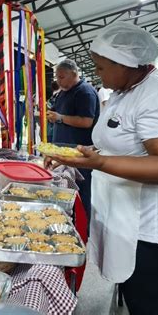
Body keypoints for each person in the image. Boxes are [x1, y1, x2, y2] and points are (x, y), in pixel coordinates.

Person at [47, 22, 158, 314]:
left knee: (146, 301)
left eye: (101, 68)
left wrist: (100, 162)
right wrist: (82, 153)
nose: (97, 75)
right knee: (132, 293)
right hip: (123, 215)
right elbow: (122, 145)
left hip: (146, 224)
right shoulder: (124, 92)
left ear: (126, 64)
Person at [47, 59, 100, 222]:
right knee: (66, 192)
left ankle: (83, 228)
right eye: (57, 77)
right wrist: (52, 116)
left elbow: (86, 121)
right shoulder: (64, 91)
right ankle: (68, 221)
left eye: (62, 77)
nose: (58, 81)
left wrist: (61, 118)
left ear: (74, 74)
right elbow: (57, 112)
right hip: (63, 151)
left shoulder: (84, 92)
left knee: (80, 193)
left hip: (79, 153)